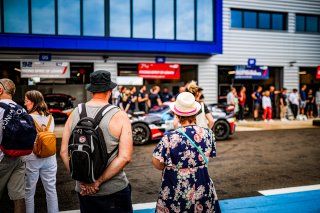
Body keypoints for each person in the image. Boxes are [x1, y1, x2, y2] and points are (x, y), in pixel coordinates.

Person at [60, 70, 133, 212]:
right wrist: (97, 181)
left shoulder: (75, 112)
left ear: (92, 90)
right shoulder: (120, 115)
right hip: (114, 190)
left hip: (83, 190)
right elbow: (125, 157)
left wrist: (83, 181)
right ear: (110, 90)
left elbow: (63, 151)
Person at [152, 92, 219, 212]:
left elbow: (157, 162)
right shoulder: (208, 134)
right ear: (195, 113)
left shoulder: (170, 137)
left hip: (176, 187)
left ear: (176, 114)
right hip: (202, 185)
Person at [24, 90, 59, 213]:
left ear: (33, 102)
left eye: (27, 100)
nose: (24, 103)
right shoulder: (50, 117)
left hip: (32, 157)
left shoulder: (27, 118)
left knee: (29, 191)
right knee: (51, 190)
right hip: (50, 157)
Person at [0, 78, 26, 213]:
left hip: (3, 158)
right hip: (20, 157)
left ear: (0, 90)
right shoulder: (21, 109)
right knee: (19, 196)